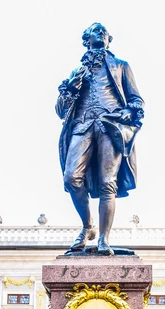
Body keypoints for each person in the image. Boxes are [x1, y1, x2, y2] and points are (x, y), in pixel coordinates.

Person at [56, 23, 144, 255]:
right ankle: (88, 227)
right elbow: (61, 111)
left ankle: (104, 238)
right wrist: (69, 91)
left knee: (108, 183)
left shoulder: (121, 66)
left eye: (104, 33)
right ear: (86, 40)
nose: (101, 35)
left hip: (109, 126)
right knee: (71, 178)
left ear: (108, 40)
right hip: (82, 125)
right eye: (96, 32)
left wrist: (128, 112)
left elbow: (136, 101)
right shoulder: (77, 73)